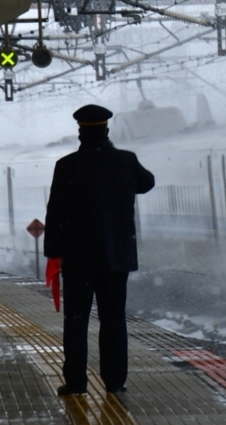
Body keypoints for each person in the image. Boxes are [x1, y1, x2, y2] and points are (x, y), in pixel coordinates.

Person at [44, 104, 155, 395]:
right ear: (107, 130)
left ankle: (76, 383)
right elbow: (147, 182)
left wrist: (53, 253)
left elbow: (55, 213)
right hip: (116, 259)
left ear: (80, 132)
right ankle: (115, 381)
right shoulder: (125, 161)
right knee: (114, 320)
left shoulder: (67, 166)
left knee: (76, 322)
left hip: (78, 261)